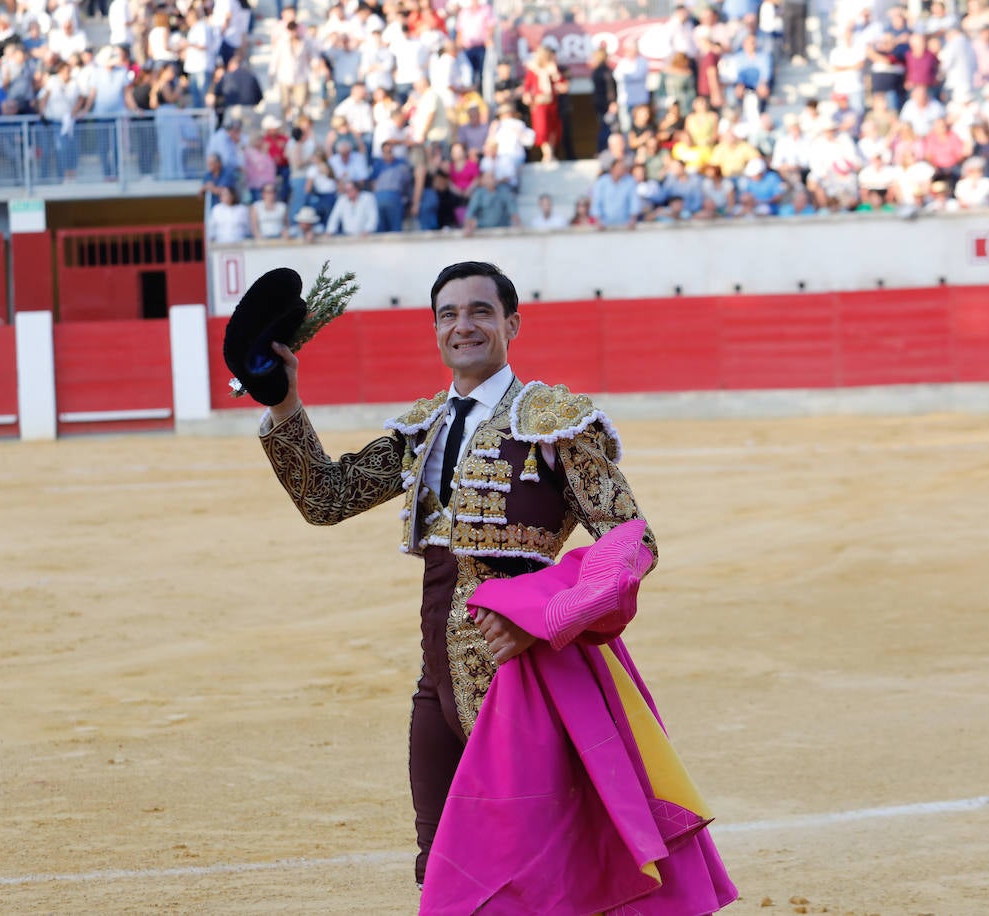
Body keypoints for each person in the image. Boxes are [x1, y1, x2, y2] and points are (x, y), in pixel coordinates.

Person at [252, 260, 735, 909]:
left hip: (528, 688)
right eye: (449, 314)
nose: (464, 325)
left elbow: (632, 539)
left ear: (511, 323)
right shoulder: (423, 429)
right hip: (438, 690)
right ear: (435, 330)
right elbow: (327, 498)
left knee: (535, 872)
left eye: (480, 311)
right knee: (445, 870)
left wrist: (547, 615)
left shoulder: (552, 420)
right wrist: (284, 401)